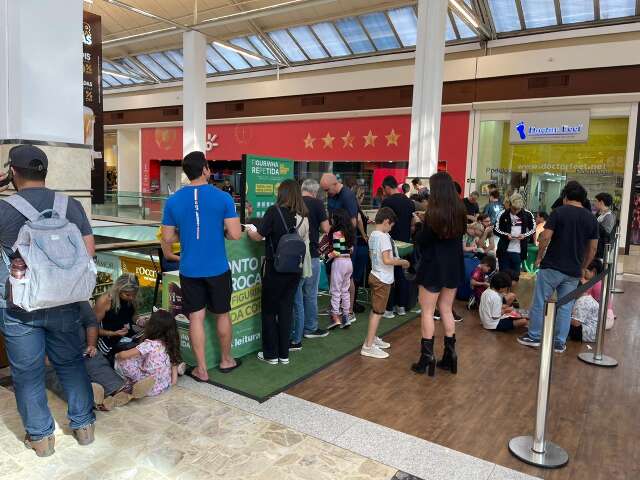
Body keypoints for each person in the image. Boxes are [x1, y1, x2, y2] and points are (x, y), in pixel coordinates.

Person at [0, 145, 96, 456]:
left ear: (12, 172)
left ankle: (41, 440)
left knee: (27, 372)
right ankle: (83, 427)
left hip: (19, 307)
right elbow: (88, 254)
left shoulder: (4, 210)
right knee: (70, 363)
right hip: (65, 302)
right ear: (45, 171)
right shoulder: (71, 205)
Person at [161, 151, 242, 382]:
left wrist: (185, 233)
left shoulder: (173, 200)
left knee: (196, 317)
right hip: (217, 268)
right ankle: (227, 360)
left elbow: (167, 238)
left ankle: (202, 369)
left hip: (190, 269)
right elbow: (236, 234)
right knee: (222, 314)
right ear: (206, 169)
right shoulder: (223, 198)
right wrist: (220, 230)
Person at [519, 181, 599, 352]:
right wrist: (583, 266)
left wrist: (539, 256)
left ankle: (534, 336)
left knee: (540, 301)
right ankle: (559, 342)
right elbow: (592, 248)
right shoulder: (591, 218)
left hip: (552, 266)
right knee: (565, 306)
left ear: (565, 197)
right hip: (573, 270)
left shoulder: (558, 213)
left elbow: (545, 237)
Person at [247, 179, 309, 365]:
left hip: (275, 269)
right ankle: (284, 355)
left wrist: (250, 230)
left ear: (281, 193)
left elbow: (259, 236)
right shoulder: (304, 216)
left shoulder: (274, 211)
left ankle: (270, 355)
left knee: (268, 311)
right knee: (286, 311)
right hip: (295, 271)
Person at [411, 172, 467, 377]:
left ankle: (427, 357)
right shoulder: (460, 210)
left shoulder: (433, 213)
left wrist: (418, 226)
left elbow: (424, 240)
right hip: (453, 265)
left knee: (427, 311)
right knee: (446, 309)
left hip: (433, 266)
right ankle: (450, 355)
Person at [361, 208, 410, 359]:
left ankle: (372, 338)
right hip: (382, 278)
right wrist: (403, 262)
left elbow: (372, 256)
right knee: (378, 312)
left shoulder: (373, 235)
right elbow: (387, 260)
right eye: (391, 225)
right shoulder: (382, 237)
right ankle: (368, 346)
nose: (391, 228)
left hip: (375, 274)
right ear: (387, 221)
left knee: (376, 310)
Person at [291, 179, 330, 349]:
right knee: (311, 293)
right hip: (311, 253)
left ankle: (295, 331)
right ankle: (310, 327)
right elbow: (326, 228)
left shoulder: (294, 203)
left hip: (293, 255)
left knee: (296, 296)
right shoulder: (317, 204)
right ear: (314, 192)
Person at [115, 309, 181, 397]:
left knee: (124, 361)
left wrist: (117, 355)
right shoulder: (171, 344)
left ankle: (131, 385)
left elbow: (123, 355)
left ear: (152, 326)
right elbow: (174, 381)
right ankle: (178, 368)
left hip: (147, 388)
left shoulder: (149, 344)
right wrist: (171, 383)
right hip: (163, 386)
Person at [321, 174, 359, 317]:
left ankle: (349, 311)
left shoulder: (348, 196)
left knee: (347, 278)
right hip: (334, 239)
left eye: (327, 190)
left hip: (345, 242)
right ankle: (335, 307)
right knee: (333, 275)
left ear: (335, 184)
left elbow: (354, 222)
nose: (326, 193)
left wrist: (339, 235)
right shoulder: (332, 195)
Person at [380, 175, 415, 318]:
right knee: (400, 274)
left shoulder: (387, 202)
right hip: (405, 244)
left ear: (387, 187)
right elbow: (412, 223)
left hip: (390, 242)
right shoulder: (409, 202)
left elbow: (382, 223)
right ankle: (401, 306)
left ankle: (389, 309)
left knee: (389, 275)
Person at [94, 274, 141, 361]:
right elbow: (93, 328)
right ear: (118, 290)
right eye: (127, 295)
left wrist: (139, 321)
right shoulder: (105, 301)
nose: (131, 298)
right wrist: (114, 333)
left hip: (127, 336)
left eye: (133, 295)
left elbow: (132, 316)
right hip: (108, 340)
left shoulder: (132, 299)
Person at [326, 209, 355, 329]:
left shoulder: (336, 233)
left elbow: (336, 252)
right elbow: (351, 249)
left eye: (333, 218)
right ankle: (346, 316)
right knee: (345, 290)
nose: (331, 220)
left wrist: (326, 256)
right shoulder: (349, 233)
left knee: (335, 290)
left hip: (339, 263)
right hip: (349, 262)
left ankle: (335, 316)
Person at [494, 192, 535, 278]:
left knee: (515, 278)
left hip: (519, 251)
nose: (516, 211)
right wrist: (506, 235)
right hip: (504, 250)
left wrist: (525, 235)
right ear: (510, 204)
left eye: (518, 209)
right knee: (503, 277)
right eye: (514, 209)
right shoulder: (503, 214)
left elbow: (533, 229)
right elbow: (496, 229)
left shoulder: (528, 214)